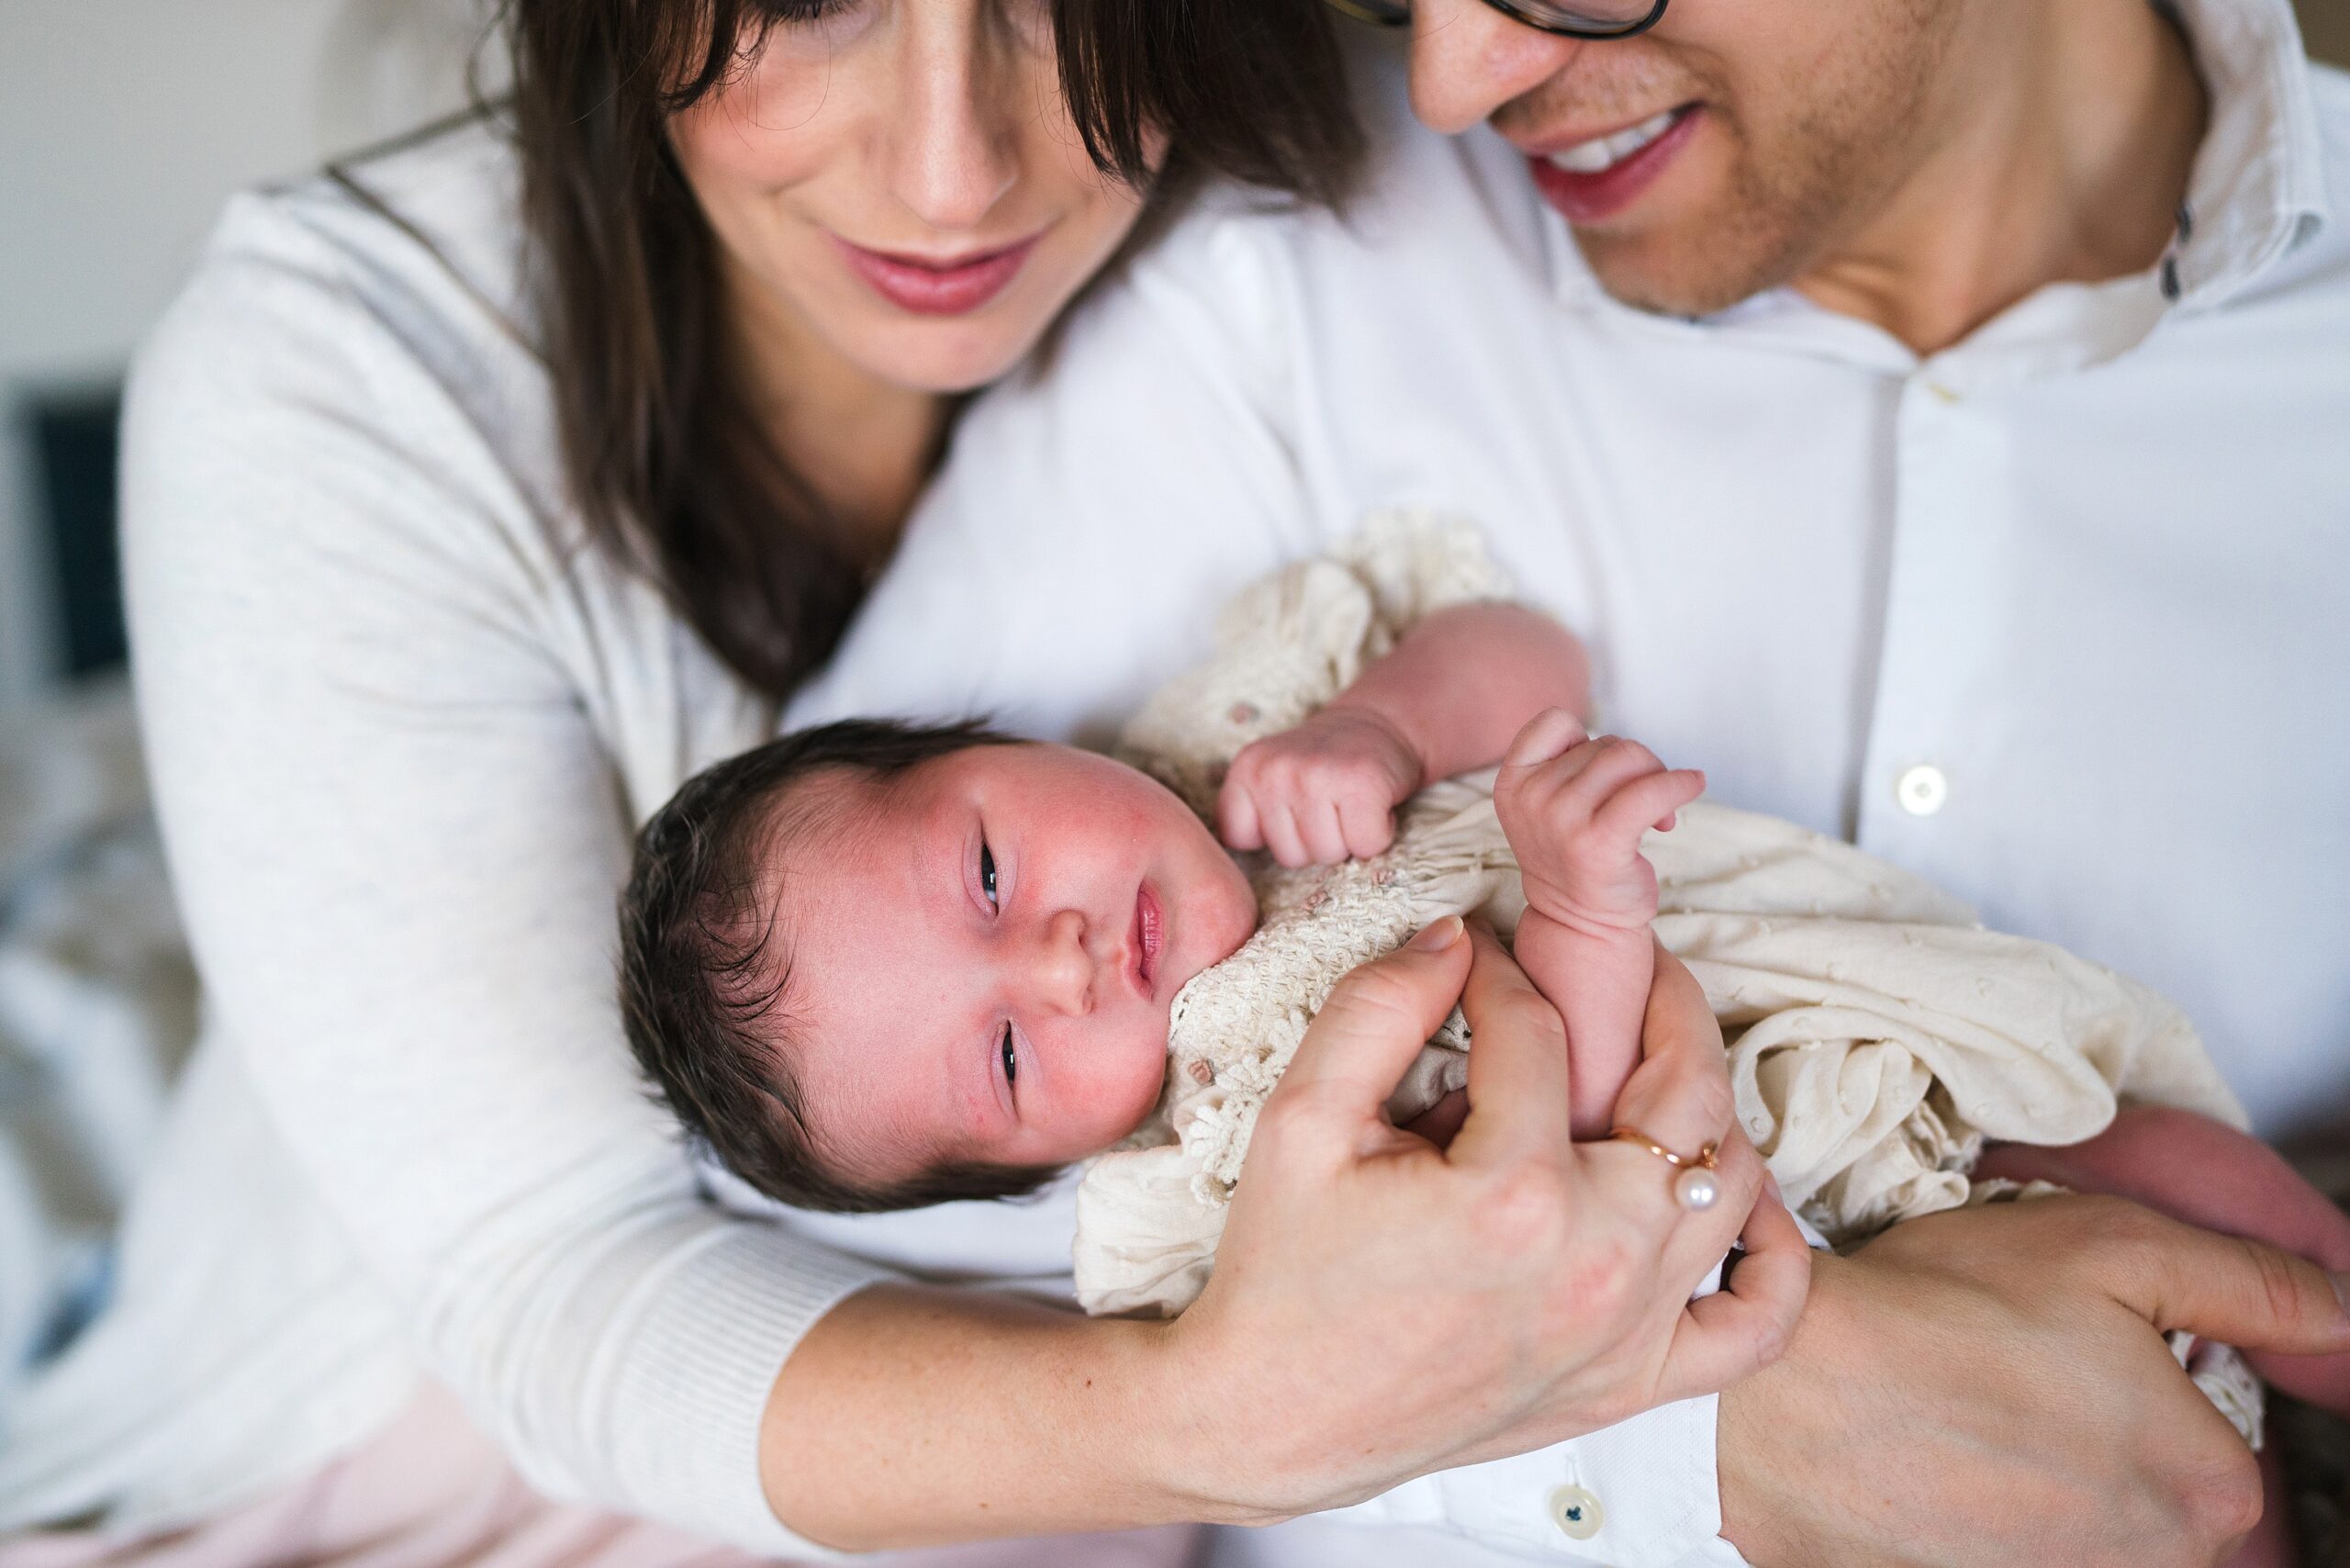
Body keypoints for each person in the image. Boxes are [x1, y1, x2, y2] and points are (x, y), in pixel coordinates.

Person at [0, 1, 1813, 1564]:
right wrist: (1224, 1405)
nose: (954, 172)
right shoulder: (349, 379)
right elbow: (553, 1289)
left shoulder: (1325, 195)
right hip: (399, 1456)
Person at [786, 0, 2350, 1561]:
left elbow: (1501, 652)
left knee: (2215, 1211)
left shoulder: (1229, 727)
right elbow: (759, 1259)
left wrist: (1385, 729)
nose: (1452, 85)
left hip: (1956, 1090)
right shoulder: (1289, 272)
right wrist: (1699, 1430)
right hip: (1720, 1166)